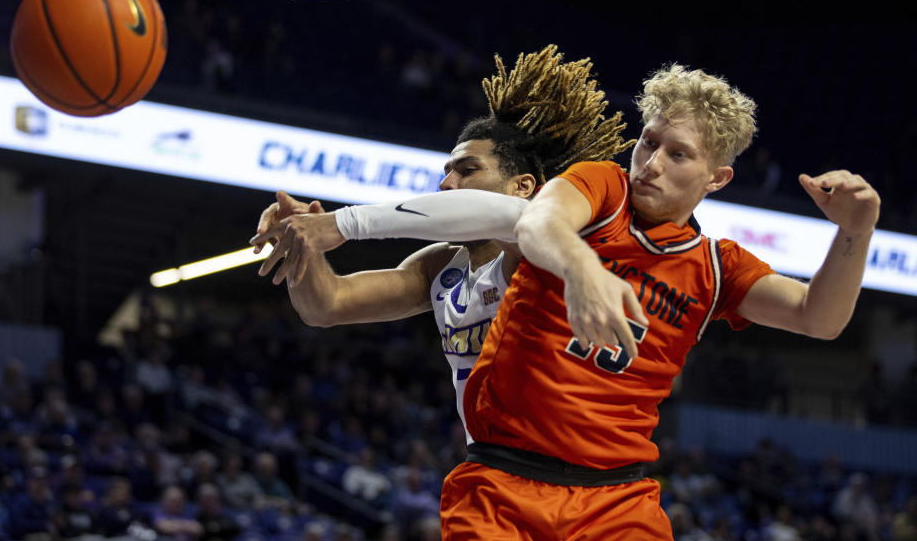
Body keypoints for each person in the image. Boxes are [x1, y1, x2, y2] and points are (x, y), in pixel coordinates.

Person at [262, 63, 880, 539]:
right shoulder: (598, 189)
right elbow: (527, 223)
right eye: (647, 142)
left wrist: (855, 231)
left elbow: (819, 318)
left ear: (717, 178)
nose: (651, 163)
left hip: (616, 498)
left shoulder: (717, 268)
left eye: (678, 154)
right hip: (502, 479)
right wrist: (317, 238)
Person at [251, 45, 633, 441]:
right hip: (493, 468)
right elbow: (327, 306)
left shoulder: (536, 249)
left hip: (563, 472)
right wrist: (303, 242)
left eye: (468, 170)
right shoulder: (438, 267)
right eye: (447, 172)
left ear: (522, 187)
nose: (447, 184)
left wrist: (342, 222)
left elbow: (479, 209)